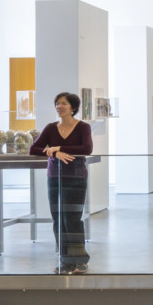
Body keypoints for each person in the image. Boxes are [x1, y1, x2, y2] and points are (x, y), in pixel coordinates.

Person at [29, 91, 93, 273]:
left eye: (63, 103)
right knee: (58, 219)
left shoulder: (83, 127)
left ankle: (80, 260)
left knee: (72, 218)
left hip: (76, 178)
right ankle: (65, 260)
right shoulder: (50, 128)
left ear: (73, 107)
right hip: (55, 178)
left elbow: (87, 149)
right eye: (57, 103)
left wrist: (59, 147)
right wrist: (54, 153)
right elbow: (34, 149)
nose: (59, 106)